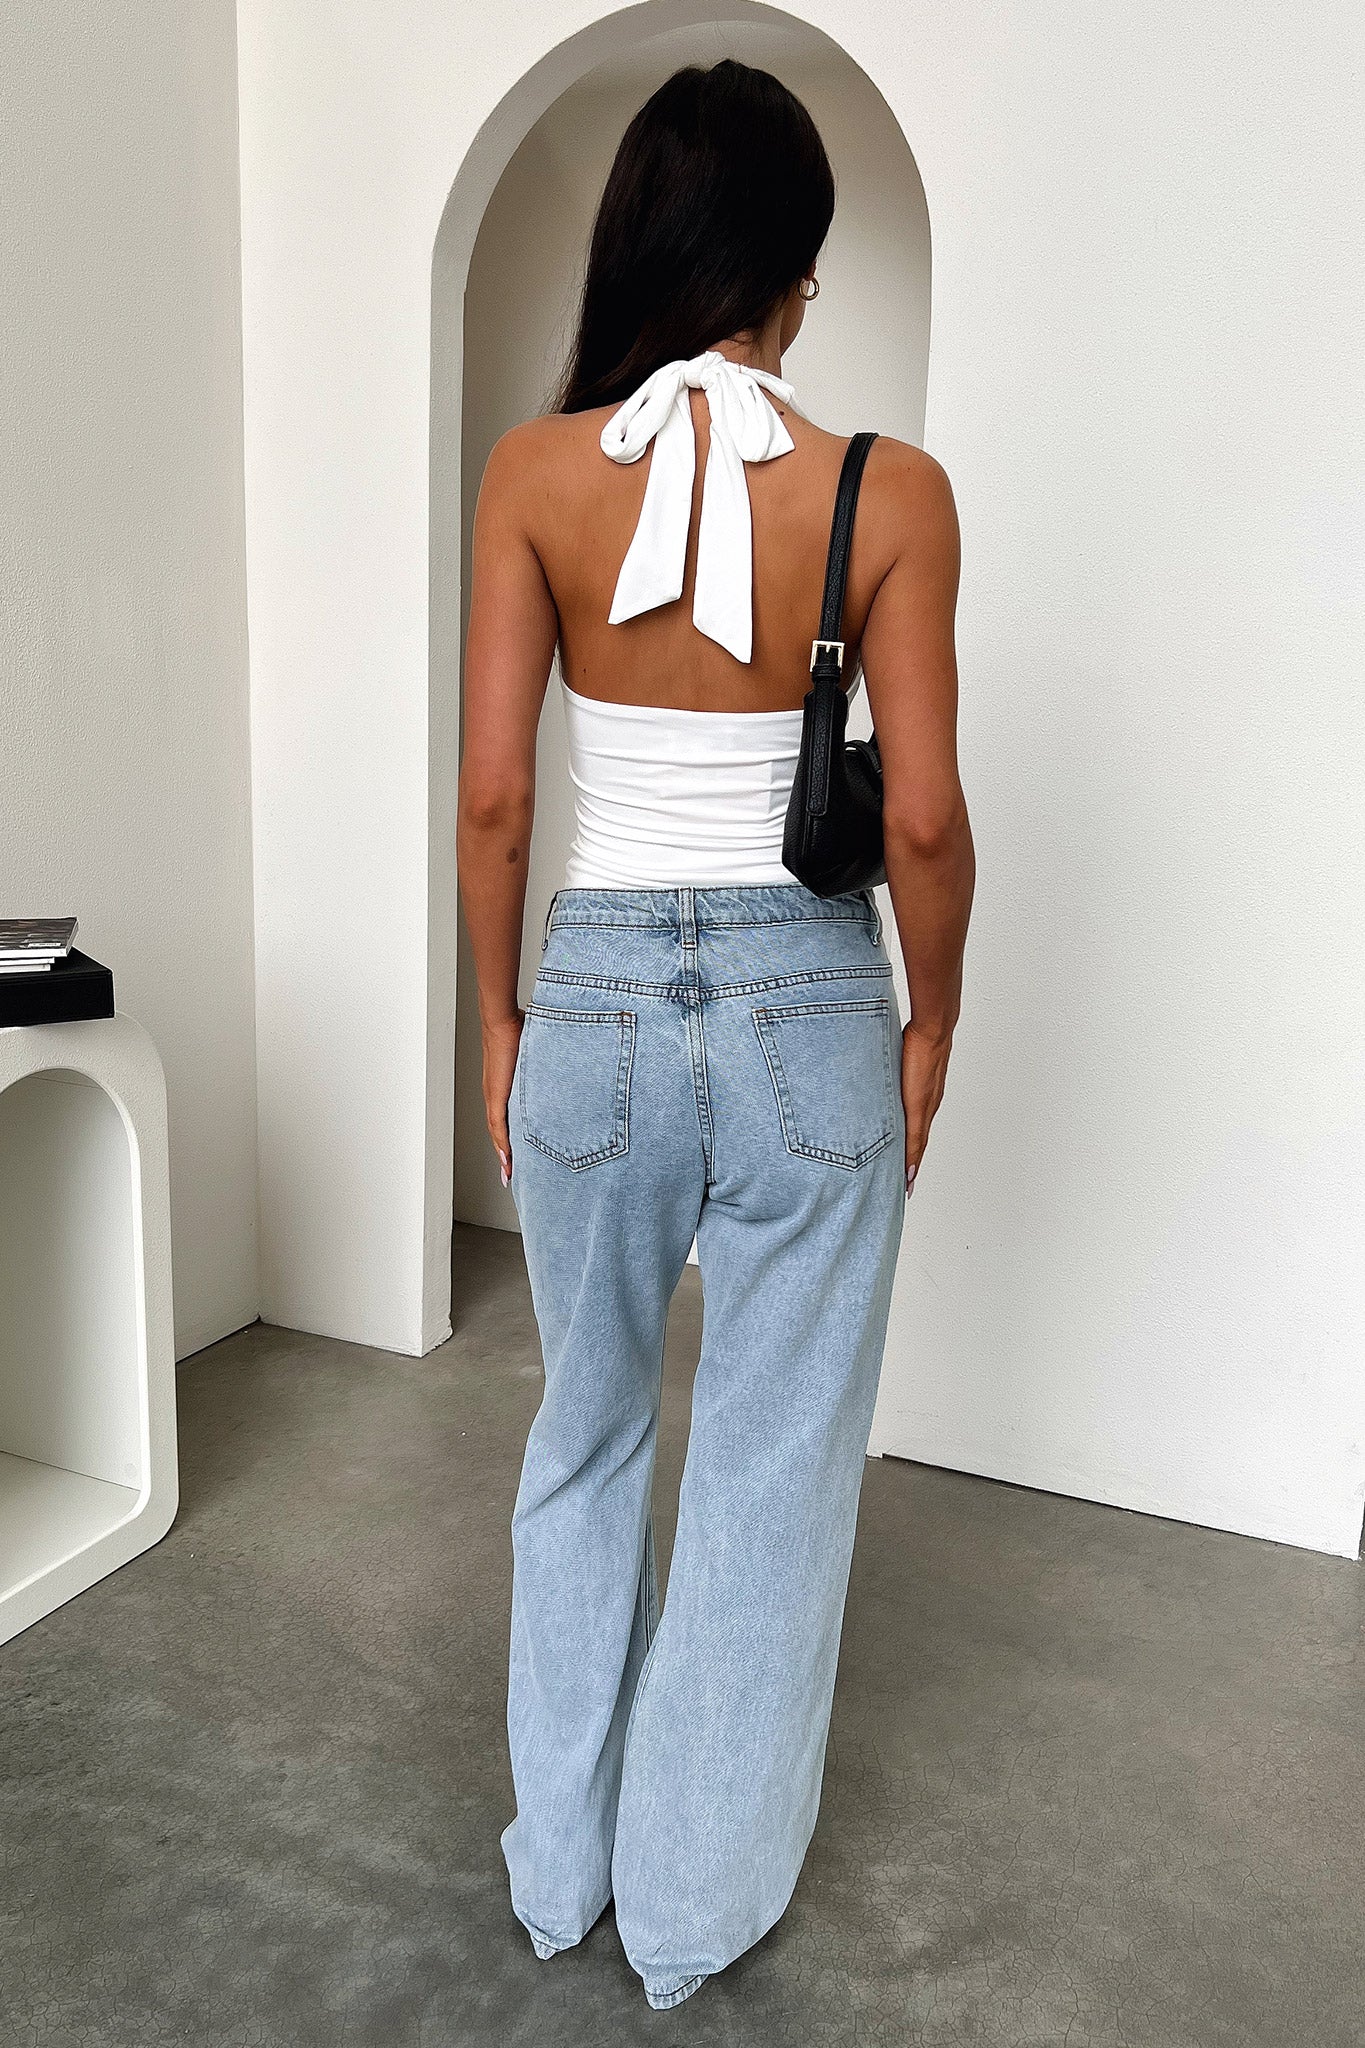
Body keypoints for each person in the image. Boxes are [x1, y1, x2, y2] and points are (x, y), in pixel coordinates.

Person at [456, 57, 974, 2011]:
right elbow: (918, 820)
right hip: (806, 1004)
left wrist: (500, 1016)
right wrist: (930, 1020)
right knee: (765, 1467)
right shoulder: (885, 492)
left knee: (581, 1431)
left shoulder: (531, 475)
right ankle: (685, 1912)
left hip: (591, 996)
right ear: (788, 270)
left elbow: (493, 800)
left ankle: (555, 1872)